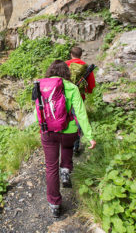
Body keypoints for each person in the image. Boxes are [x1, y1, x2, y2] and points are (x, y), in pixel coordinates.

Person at [40, 60, 96, 218]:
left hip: (48, 131)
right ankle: (65, 170)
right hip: (69, 130)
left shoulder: (41, 86)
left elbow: (40, 110)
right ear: (66, 72)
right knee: (66, 147)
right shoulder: (72, 87)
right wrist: (90, 136)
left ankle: (54, 204)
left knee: (50, 167)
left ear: (50, 71)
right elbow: (81, 113)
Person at [65, 46, 95, 155]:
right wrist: (87, 91)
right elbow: (91, 83)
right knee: (78, 119)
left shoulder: (66, 64)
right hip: (79, 96)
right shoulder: (85, 66)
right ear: (81, 54)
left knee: (65, 118)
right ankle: (75, 145)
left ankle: (64, 143)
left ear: (71, 54)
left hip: (65, 96)